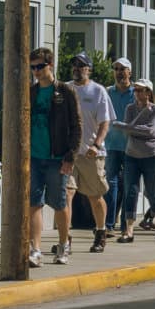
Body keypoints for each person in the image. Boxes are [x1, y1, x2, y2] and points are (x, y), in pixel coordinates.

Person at [25, 47, 81, 267]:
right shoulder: (31, 91)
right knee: (34, 203)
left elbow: (77, 125)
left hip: (58, 156)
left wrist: (71, 156)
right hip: (35, 157)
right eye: (33, 67)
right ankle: (36, 249)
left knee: (59, 203)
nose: (36, 71)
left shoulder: (65, 92)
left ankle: (62, 244)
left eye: (40, 66)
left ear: (50, 65)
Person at [68, 54, 114, 253]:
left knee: (95, 196)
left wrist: (96, 145)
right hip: (68, 153)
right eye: (74, 65)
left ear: (89, 69)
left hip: (90, 153)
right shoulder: (65, 89)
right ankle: (65, 238)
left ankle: (101, 232)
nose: (77, 69)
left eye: (82, 66)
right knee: (66, 195)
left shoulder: (98, 91)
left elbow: (105, 123)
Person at [115, 79, 155, 243]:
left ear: (148, 92)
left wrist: (126, 127)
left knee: (153, 191)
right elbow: (127, 132)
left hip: (151, 156)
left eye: (140, 90)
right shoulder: (130, 108)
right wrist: (131, 128)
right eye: (135, 90)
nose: (136, 93)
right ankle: (129, 230)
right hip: (131, 155)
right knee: (130, 191)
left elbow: (151, 130)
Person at [103, 58, 136, 230]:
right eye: (116, 69)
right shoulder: (108, 92)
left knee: (130, 184)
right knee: (111, 184)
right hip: (111, 145)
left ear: (129, 72)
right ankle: (109, 224)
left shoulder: (136, 92)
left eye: (122, 69)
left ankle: (125, 225)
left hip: (131, 146)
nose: (119, 72)